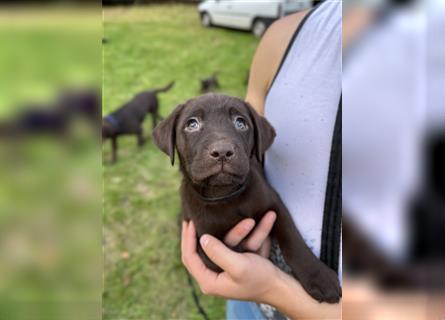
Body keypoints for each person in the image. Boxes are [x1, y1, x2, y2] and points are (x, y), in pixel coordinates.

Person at [181, 1, 342, 319]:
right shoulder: (284, 35)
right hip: (246, 296)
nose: (223, 146)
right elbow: (252, 114)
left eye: (239, 123)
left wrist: (273, 289)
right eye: (193, 124)